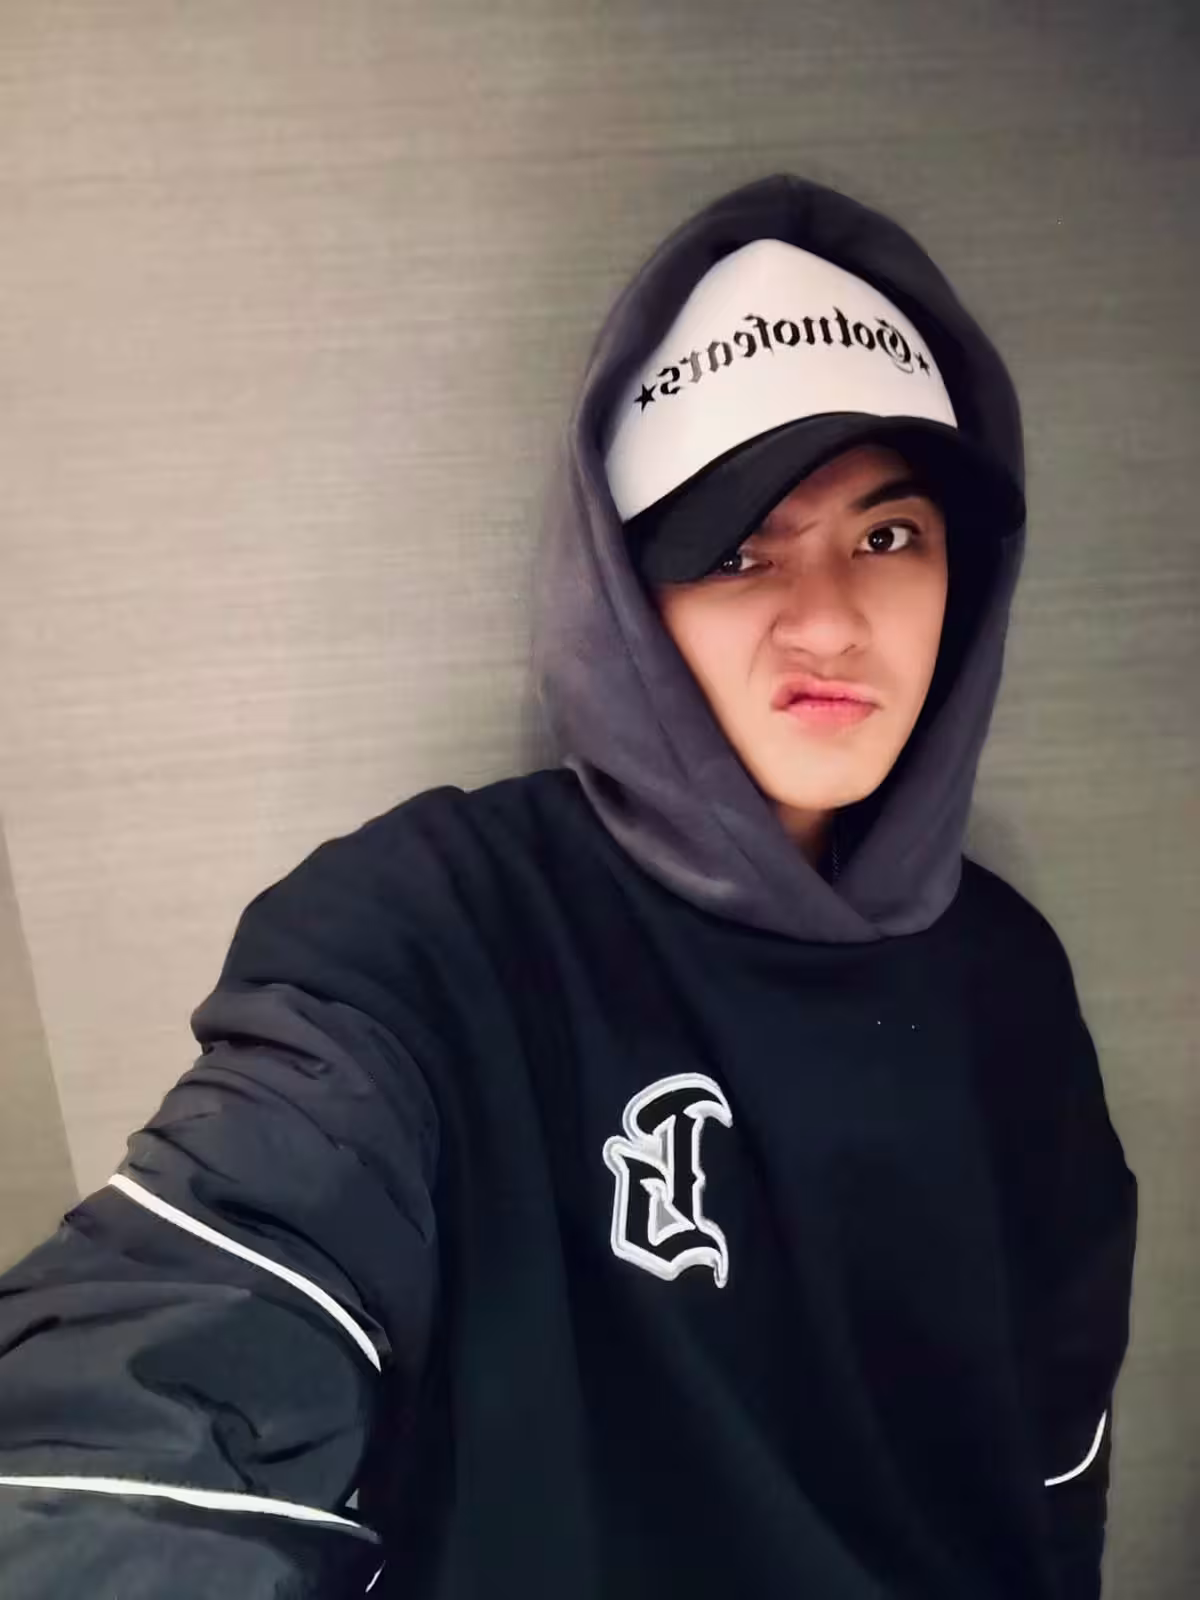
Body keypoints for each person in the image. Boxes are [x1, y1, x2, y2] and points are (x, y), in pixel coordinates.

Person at [0, 172, 1137, 1599]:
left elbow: (1055, 1464)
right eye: (739, 549)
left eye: (888, 535)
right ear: (623, 595)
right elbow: (174, 1355)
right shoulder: (434, 929)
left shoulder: (1009, 980)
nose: (831, 620)